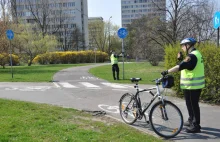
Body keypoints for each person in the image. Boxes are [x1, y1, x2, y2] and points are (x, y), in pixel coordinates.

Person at [161, 38, 205, 133]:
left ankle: (196, 125)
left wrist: (166, 71)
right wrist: (180, 59)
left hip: (193, 85)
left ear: (188, 45)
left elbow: (179, 67)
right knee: (190, 104)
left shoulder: (192, 56)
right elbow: (186, 66)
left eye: (182, 45)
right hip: (191, 85)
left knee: (193, 105)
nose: (182, 48)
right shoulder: (196, 54)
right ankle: (191, 120)